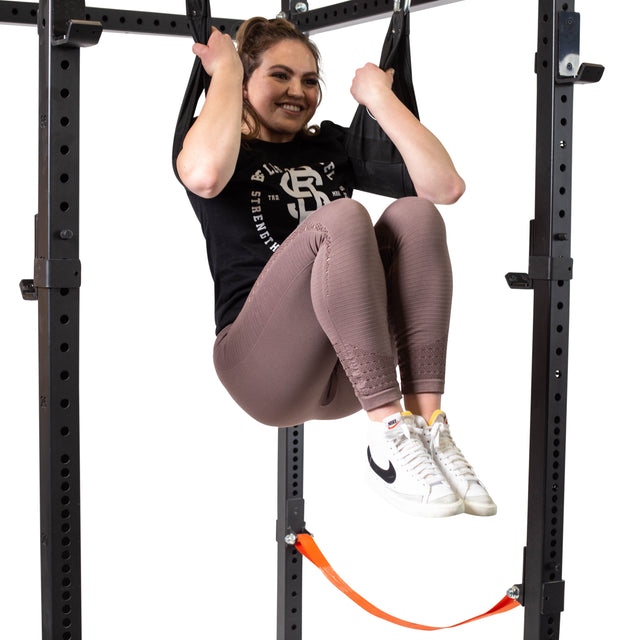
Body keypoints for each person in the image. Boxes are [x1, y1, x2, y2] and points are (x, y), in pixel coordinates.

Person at [177, 17, 496, 518]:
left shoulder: (329, 145)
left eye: (309, 81)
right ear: (243, 81)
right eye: (279, 76)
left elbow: (445, 187)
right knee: (344, 217)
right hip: (259, 369)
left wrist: (379, 99)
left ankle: (428, 426)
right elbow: (204, 175)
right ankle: (387, 431)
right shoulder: (218, 143)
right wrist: (222, 73)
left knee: (415, 213)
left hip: (346, 371)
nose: (297, 91)